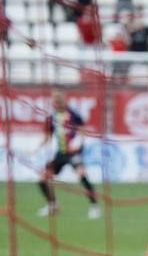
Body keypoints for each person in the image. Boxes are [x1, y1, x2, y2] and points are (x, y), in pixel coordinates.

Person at [36, 89, 101, 219]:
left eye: (58, 100)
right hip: (60, 153)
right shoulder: (51, 117)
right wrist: (37, 146)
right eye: (54, 101)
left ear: (64, 100)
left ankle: (94, 206)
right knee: (42, 178)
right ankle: (52, 205)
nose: (56, 103)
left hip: (74, 153)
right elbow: (48, 135)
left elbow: (82, 130)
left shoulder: (74, 114)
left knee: (82, 174)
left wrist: (77, 142)